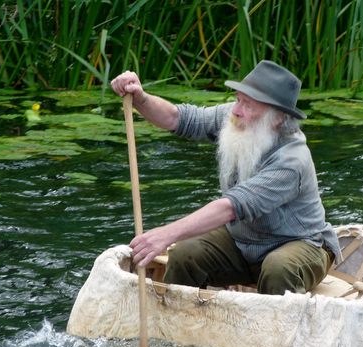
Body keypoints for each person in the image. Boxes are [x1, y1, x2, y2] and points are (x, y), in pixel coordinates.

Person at [110, 60, 340, 295]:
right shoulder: (235, 115)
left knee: (277, 268)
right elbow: (178, 119)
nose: (237, 110)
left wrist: (165, 234)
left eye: (249, 105)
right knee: (183, 255)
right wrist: (141, 98)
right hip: (243, 241)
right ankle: (177, 326)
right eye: (239, 99)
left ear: (278, 118)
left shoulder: (292, 161)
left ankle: (276, 329)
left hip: (299, 245)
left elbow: (231, 207)